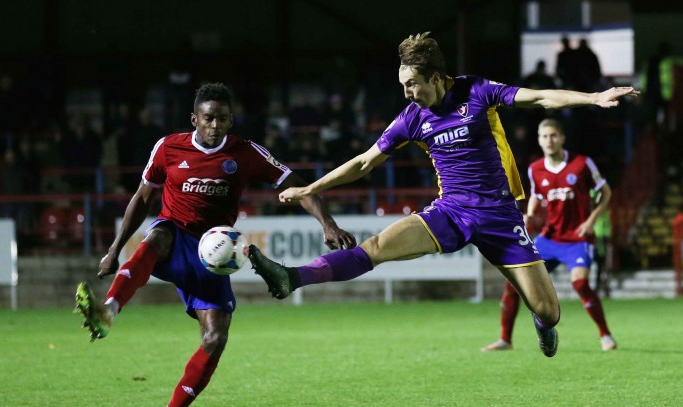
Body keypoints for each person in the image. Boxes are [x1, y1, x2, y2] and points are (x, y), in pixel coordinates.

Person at [247, 32, 638, 359]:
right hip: (451, 211)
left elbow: (538, 98)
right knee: (378, 246)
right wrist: (312, 188)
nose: (407, 93)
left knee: (549, 311)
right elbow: (365, 162)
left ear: (436, 77)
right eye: (402, 86)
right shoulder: (412, 119)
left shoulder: (477, 91)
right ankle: (292, 277)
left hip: (500, 215)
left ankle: (543, 323)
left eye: (412, 84)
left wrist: (592, 98)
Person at [74, 82, 356, 407]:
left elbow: (297, 184)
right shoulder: (168, 148)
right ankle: (109, 310)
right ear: (195, 118)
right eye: (208, 118)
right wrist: (114, 249)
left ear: (231, 119)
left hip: (213, 257)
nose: (215, 125)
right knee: (157, 234)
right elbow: (142, 199)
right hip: (175, 238)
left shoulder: (245, 152)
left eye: (223, 119)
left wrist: (326, 222)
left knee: (215, 337)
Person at [482, 119, 617, 352]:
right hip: (550, 238)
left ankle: (605, 335)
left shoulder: (582, 164)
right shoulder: (535, 169)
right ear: (539, 140)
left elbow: (605, 192)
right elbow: (536, 194)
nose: (549, 141)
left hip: (577, 238)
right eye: (544, 136)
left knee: (581, 283)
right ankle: (505, 339)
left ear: (562, 138)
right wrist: (531, 213)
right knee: (514, 283)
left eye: (553, 135)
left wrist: (590, 221)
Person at [671, 201, 683, 297]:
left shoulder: (676, 219)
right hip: (681, 244)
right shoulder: (682, 218)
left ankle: (679, 289)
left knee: (679, 269)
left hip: (676, 243)